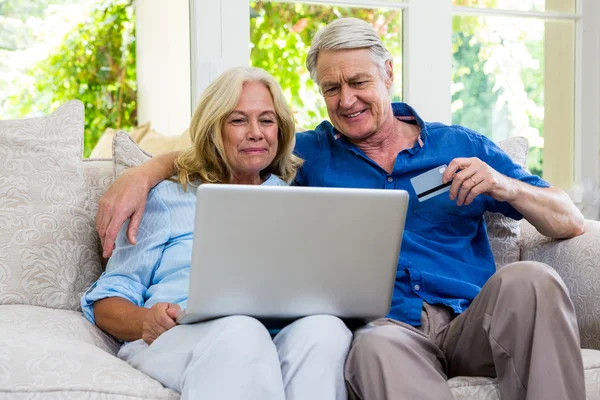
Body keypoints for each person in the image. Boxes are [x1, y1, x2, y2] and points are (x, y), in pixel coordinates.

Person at [95, 18, 586, 400]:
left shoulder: (464, 145)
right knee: (371, 345)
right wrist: (144, 170)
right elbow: (233, 154)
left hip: (471, 318)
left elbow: (568, 218)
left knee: (534, 281)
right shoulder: (307, 154)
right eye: (332, 89)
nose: (346, 100)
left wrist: (507, 185)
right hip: (387, 329)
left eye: (358, 82)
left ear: (387, 73)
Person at [82, 66, 352, 400]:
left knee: (325, 330)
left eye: (266, 120)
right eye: (238, 120)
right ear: (214, 129)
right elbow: (107, 300)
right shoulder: (166, 197)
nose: (256, 133)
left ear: (280, 130)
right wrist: (144, 320)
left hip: (273, 333)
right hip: (181, 335)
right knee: (242, 330)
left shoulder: (296, 198)